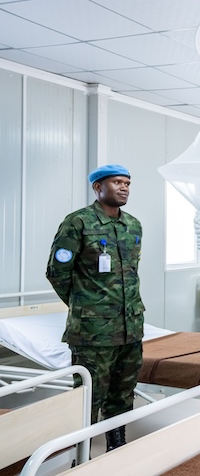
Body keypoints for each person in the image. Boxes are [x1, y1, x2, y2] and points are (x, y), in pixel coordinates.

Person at [46, 164, 144, 451]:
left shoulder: (133, 225)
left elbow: (131, 274)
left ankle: (117, 443)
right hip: (93, 333)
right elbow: (57, 272)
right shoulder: (78, 222)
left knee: (123, 393)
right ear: (98, 187)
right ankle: (82, 453)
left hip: (130, 328)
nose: (124, 187)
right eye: (117, 182)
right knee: (88, 396)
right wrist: (85, 306)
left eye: (127, 183)